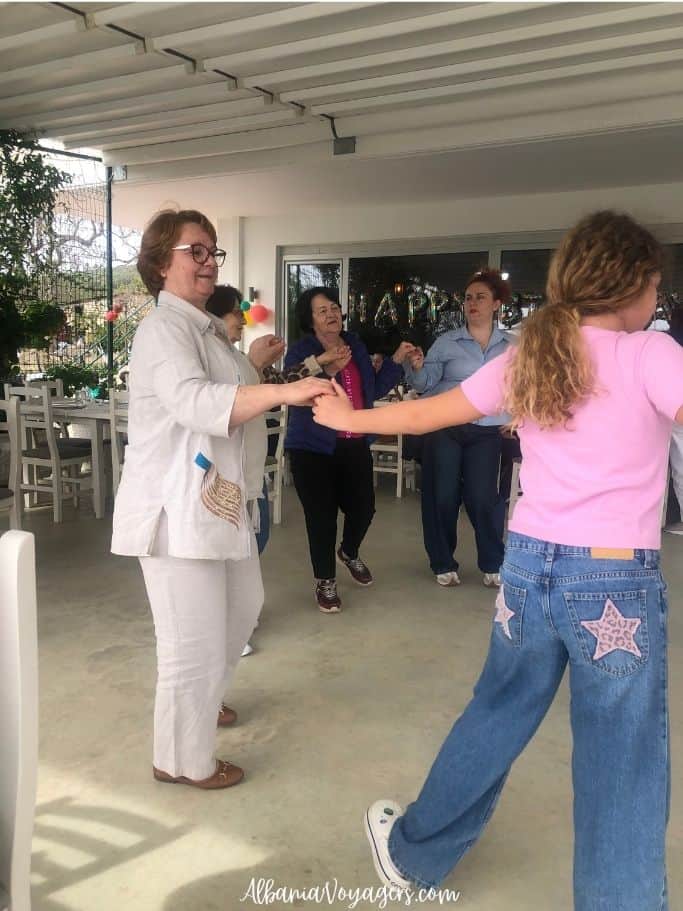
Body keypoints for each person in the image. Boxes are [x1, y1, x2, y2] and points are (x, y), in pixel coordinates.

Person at [313, 211, 680, 910]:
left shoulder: (532, 351)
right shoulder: (650, 354)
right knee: (621, 758)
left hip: (528, 569)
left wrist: (348, 418)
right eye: (653, 287)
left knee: (496, 710)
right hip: (613, 583)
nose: (654, 302)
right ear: (631, 282)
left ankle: (414, 855)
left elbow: (434, 411)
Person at [111, 210, 331, 790]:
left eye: (213, 252)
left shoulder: (206, 329)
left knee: (241, 608)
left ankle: (204, 701)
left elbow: (238, 382)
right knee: (190, 642)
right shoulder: (163, 329)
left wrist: (274, 372)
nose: (209, 262)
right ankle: (182, 760)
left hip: (218, 506)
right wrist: (282, 388)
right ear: (162, 263)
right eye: (196, 251)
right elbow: (193, 400)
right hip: (174, 509)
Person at [285, 286, 416, 612]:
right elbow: (288, 386)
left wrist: (396, 361)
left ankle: (349, 552)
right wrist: (322, 365)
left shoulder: (355, 344)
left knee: (364, 509)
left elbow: (372, 390)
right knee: (322, 517)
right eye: (322, 310)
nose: (331, 314)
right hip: (311, 448)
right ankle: (325, 580)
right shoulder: (302, 350)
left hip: (353, 443)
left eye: (334, 307)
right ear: (310, 319)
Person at [403, 269, 512, 588]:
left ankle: (493, 561)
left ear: (496, 304)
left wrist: (517, 417)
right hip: (446, 425)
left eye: (481, 297)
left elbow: (521, 388)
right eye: (468, 298)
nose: (472, 303)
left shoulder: (512, 347)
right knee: (443, 495)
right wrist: (418, 367)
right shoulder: (446, 342)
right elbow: (424, 385)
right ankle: (442, 560)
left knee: (482, 497)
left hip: (488, 430)